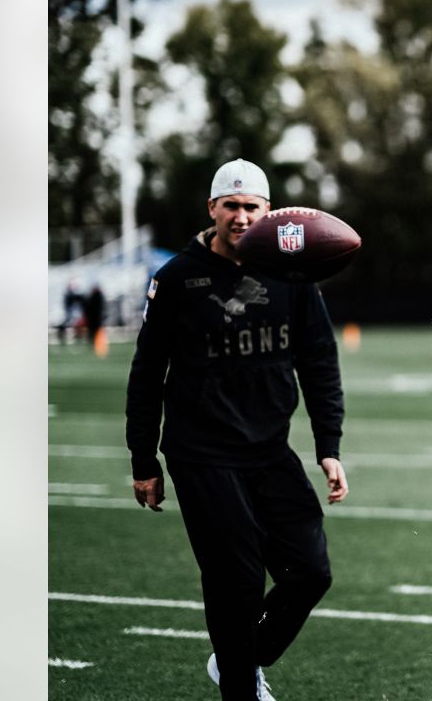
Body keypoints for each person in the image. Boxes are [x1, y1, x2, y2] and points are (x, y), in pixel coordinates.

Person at [125, 158, 349, 701]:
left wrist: (328, 445)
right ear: (213, 209)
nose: (242, 217)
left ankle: (239, 662)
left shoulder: (291, 272)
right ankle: (240, 687)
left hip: (269, 450)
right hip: (202, 454)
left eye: (253, 207)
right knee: (238, 582)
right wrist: (143, 460)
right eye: (232, 206)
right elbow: (147, 372)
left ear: (270, 212)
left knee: (310, 572)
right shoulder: (178, 277)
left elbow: (318, 359)